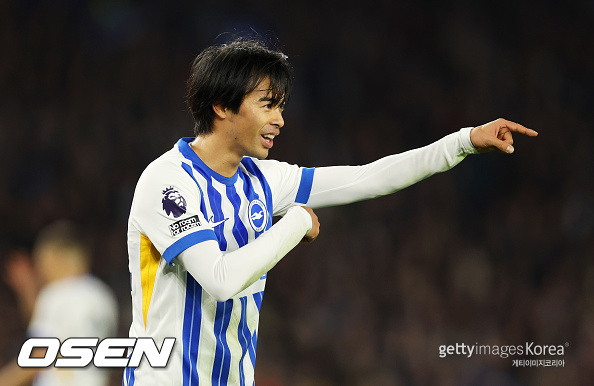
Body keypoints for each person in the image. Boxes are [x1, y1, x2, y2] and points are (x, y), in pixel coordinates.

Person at [123, 37, 537, 385]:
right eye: (268, 105)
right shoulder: (167, 182)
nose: (280, 120)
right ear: (221, 106)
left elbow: (368, 178)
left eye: (281, 106)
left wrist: (463, 141)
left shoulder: (264, 180)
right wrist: (297, 223)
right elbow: (220, 279)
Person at [0, 221, 119, 386]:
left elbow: (38, 355)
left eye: (42, 260)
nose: (41, 270)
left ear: (57, 257)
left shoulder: (57, 294)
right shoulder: (103, 295)